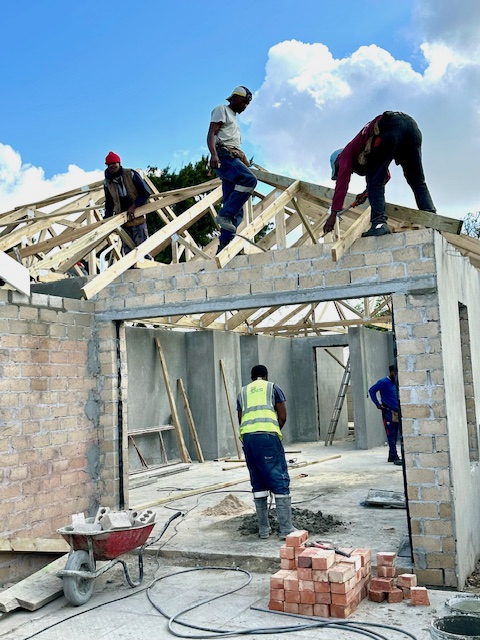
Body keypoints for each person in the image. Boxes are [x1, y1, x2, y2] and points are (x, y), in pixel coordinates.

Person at [323, 111, 436, 238]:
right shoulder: (362, 148)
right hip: (411, 127)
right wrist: (366, 193)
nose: (348, 171)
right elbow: (386, 176)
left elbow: (342, 184)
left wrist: (333, 214)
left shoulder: (344, 154)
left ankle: (379, 224)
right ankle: (433, 222)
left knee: (374, 181)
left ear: (337, 162)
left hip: (389, 126)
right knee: (417, 181)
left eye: (338, 170)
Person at [237, 364, 295, 539]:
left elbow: (241, 418)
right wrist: (273, 430)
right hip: (267, 437)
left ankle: (263, 529)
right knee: (278, 477)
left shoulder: (243, 392)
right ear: (266, 375)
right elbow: (282, 416)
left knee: (258, 480)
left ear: (251, 377)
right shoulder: (272, 388)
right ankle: (286, 529)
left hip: (248, 439)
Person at [207, 86, 258, 253]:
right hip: (224, 156)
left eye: (247, 104)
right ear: (234, 97)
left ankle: (224, 246)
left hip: (231, 156)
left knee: (236, 210)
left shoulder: (234, 118)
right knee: (249, 179)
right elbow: (211, 133)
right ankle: (224, 215)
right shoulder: (222, 110)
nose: (245, 106)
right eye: (243, 102)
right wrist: (214, 154)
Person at [103, 151, 152, 255]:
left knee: (142, 248)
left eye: (114, 163)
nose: (112, 166)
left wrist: (134, 206)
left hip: (137, 215)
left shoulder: (131, 174)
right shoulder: (107, 182)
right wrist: (107, 220)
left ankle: (145, 263)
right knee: (128, 251)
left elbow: (146, 193)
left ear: (119, 163)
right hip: (123, 219)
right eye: (109, 164)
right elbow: (109, 203)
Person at [368, 365, 402, 465]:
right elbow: (371, 390)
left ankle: (391, 455)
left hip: (397, 412)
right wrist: (378, 404)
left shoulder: (396, 382)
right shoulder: (383, 382)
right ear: (391, 372)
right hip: (388, 412)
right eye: (395, 373)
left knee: (395, 435)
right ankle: (395, 456)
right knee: (391, 434)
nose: (396, 375)